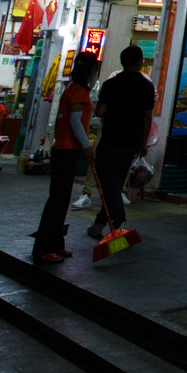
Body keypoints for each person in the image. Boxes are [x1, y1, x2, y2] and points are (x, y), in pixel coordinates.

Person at [34, 53, 98, 263]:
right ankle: (43, 249)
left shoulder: (72, 88)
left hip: (65, 149)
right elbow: (75, 121)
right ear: (90, 70)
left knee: (61, 200)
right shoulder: (78, 90)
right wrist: (87, 147)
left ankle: (56, 245)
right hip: (66, 149)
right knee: (57, 201)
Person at [89, 45, 155, 240]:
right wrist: (143, 143)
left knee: (110, 184)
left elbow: (100, 112)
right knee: (115, 184)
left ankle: (119, 223)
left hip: (110, 140)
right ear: (140, 62)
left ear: (122, 61)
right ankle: (99, 224)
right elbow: (147, 117)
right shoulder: (147, 86)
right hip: (131, 143)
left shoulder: (111, 84)